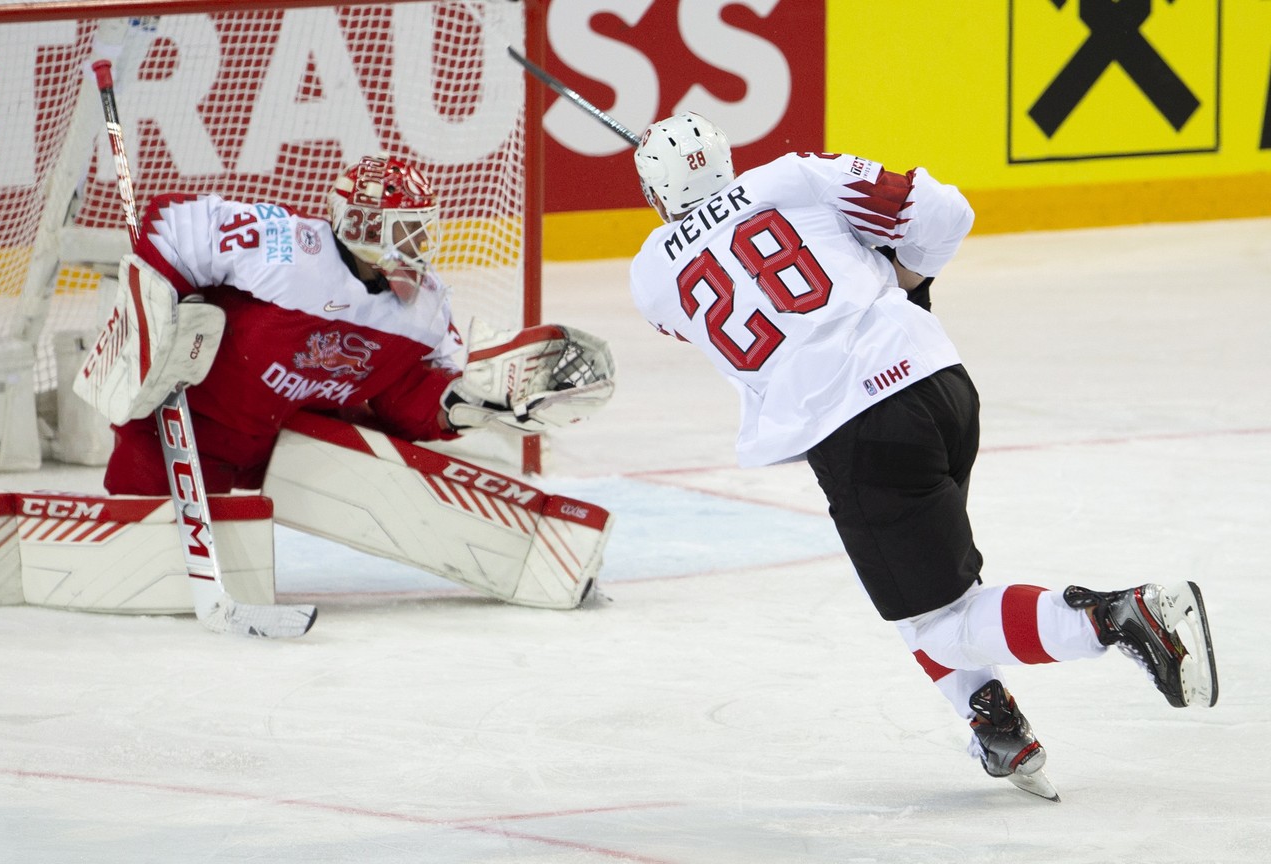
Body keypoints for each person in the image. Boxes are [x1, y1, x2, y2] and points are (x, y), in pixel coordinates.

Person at [626, 112, 1218, 800]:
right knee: (925, 595)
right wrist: (903, 275)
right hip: (938, 383)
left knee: (941, 626)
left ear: (653, 196)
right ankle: (996, 723)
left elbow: (720, 306)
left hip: (858, 432)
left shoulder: (649, 277)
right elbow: (944, 211)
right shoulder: (798, 176)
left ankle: (1116, 618)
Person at [101, 152, 608, 496]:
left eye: (422, 232)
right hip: (182, 428)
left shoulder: (424, 310)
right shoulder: (286, 248)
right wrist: (160, 317)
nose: (419, 248)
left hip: (289, 451)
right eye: (406, 232)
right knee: (142, 550)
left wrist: (464, 407)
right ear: (361, 225)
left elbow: (402, 403)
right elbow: (174, 225)